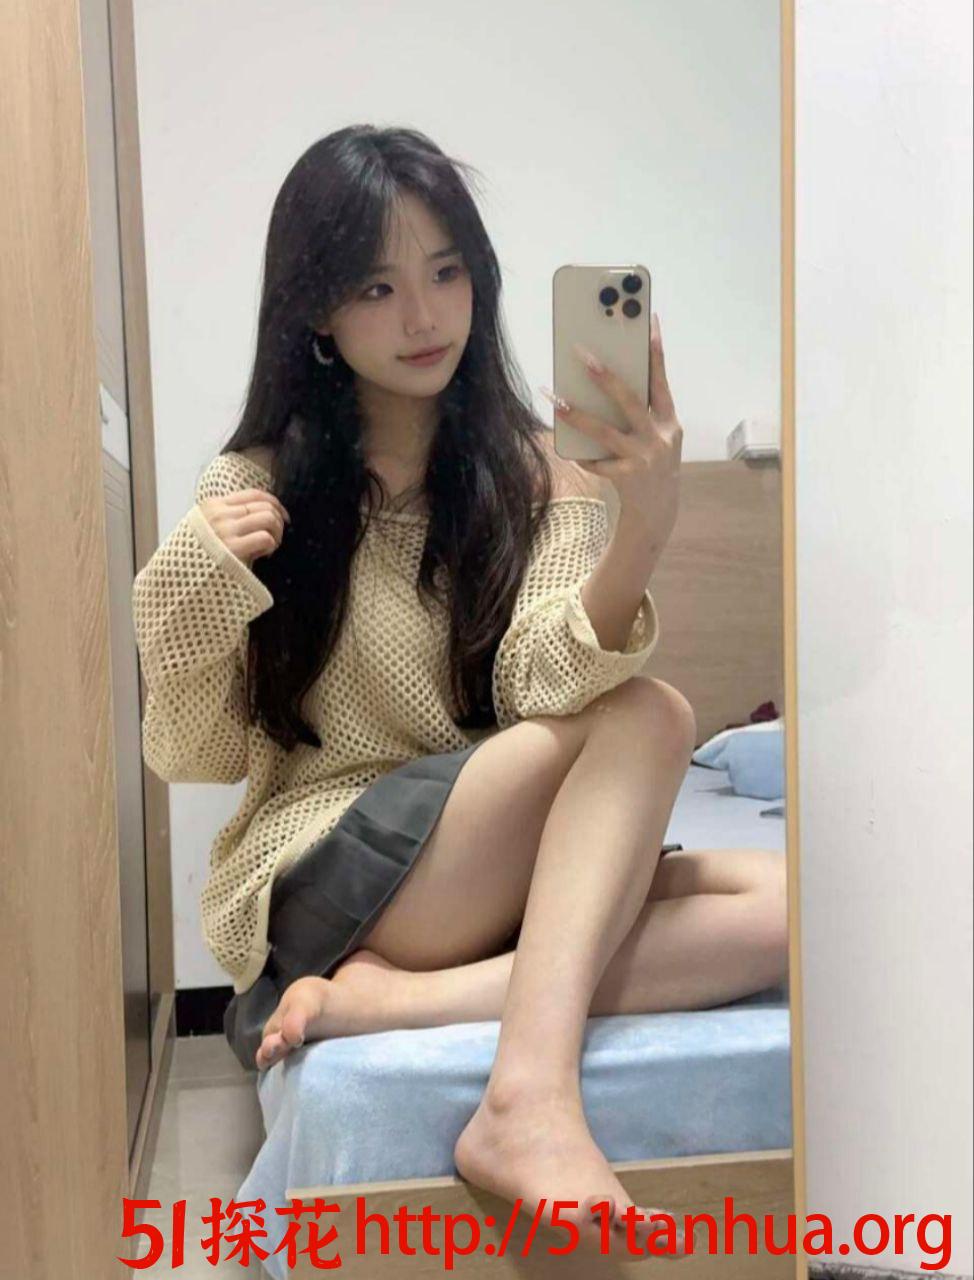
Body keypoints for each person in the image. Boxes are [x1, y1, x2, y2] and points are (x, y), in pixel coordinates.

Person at [132, 124, 787, 1260]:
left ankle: (392, 1003)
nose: (424, 315)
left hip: (484, 861)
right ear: (318, 311)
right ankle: (526, 1096)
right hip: (332, 863)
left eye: (447, 273)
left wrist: (645, 524)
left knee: (798, 909)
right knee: (651, 714)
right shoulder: (257, 486)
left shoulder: (539, 475)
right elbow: (194, 753)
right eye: (377, 286)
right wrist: (184, 590)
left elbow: (542, 681)